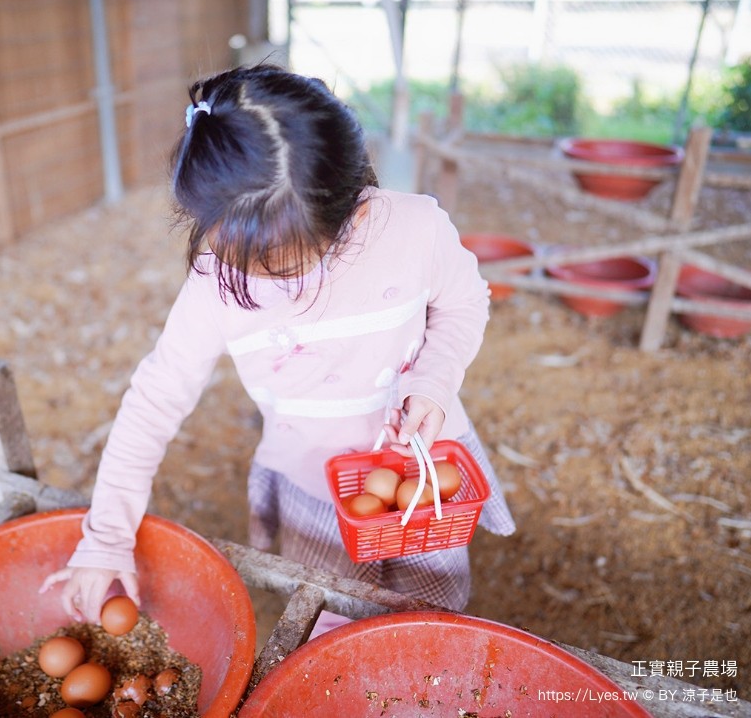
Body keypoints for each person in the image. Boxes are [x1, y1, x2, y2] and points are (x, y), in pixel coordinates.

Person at [40, 64, 515, 623]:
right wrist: (107, 537)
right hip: (312, 483)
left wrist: (435, 378)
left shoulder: (416, 229)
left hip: (422, 470)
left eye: (287, 264)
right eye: (248, 261)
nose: (277, 287)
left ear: (354, 209)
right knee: (331, 617)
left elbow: (465, 303)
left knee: (429, 613)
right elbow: (154, 400)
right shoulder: (212, 283)